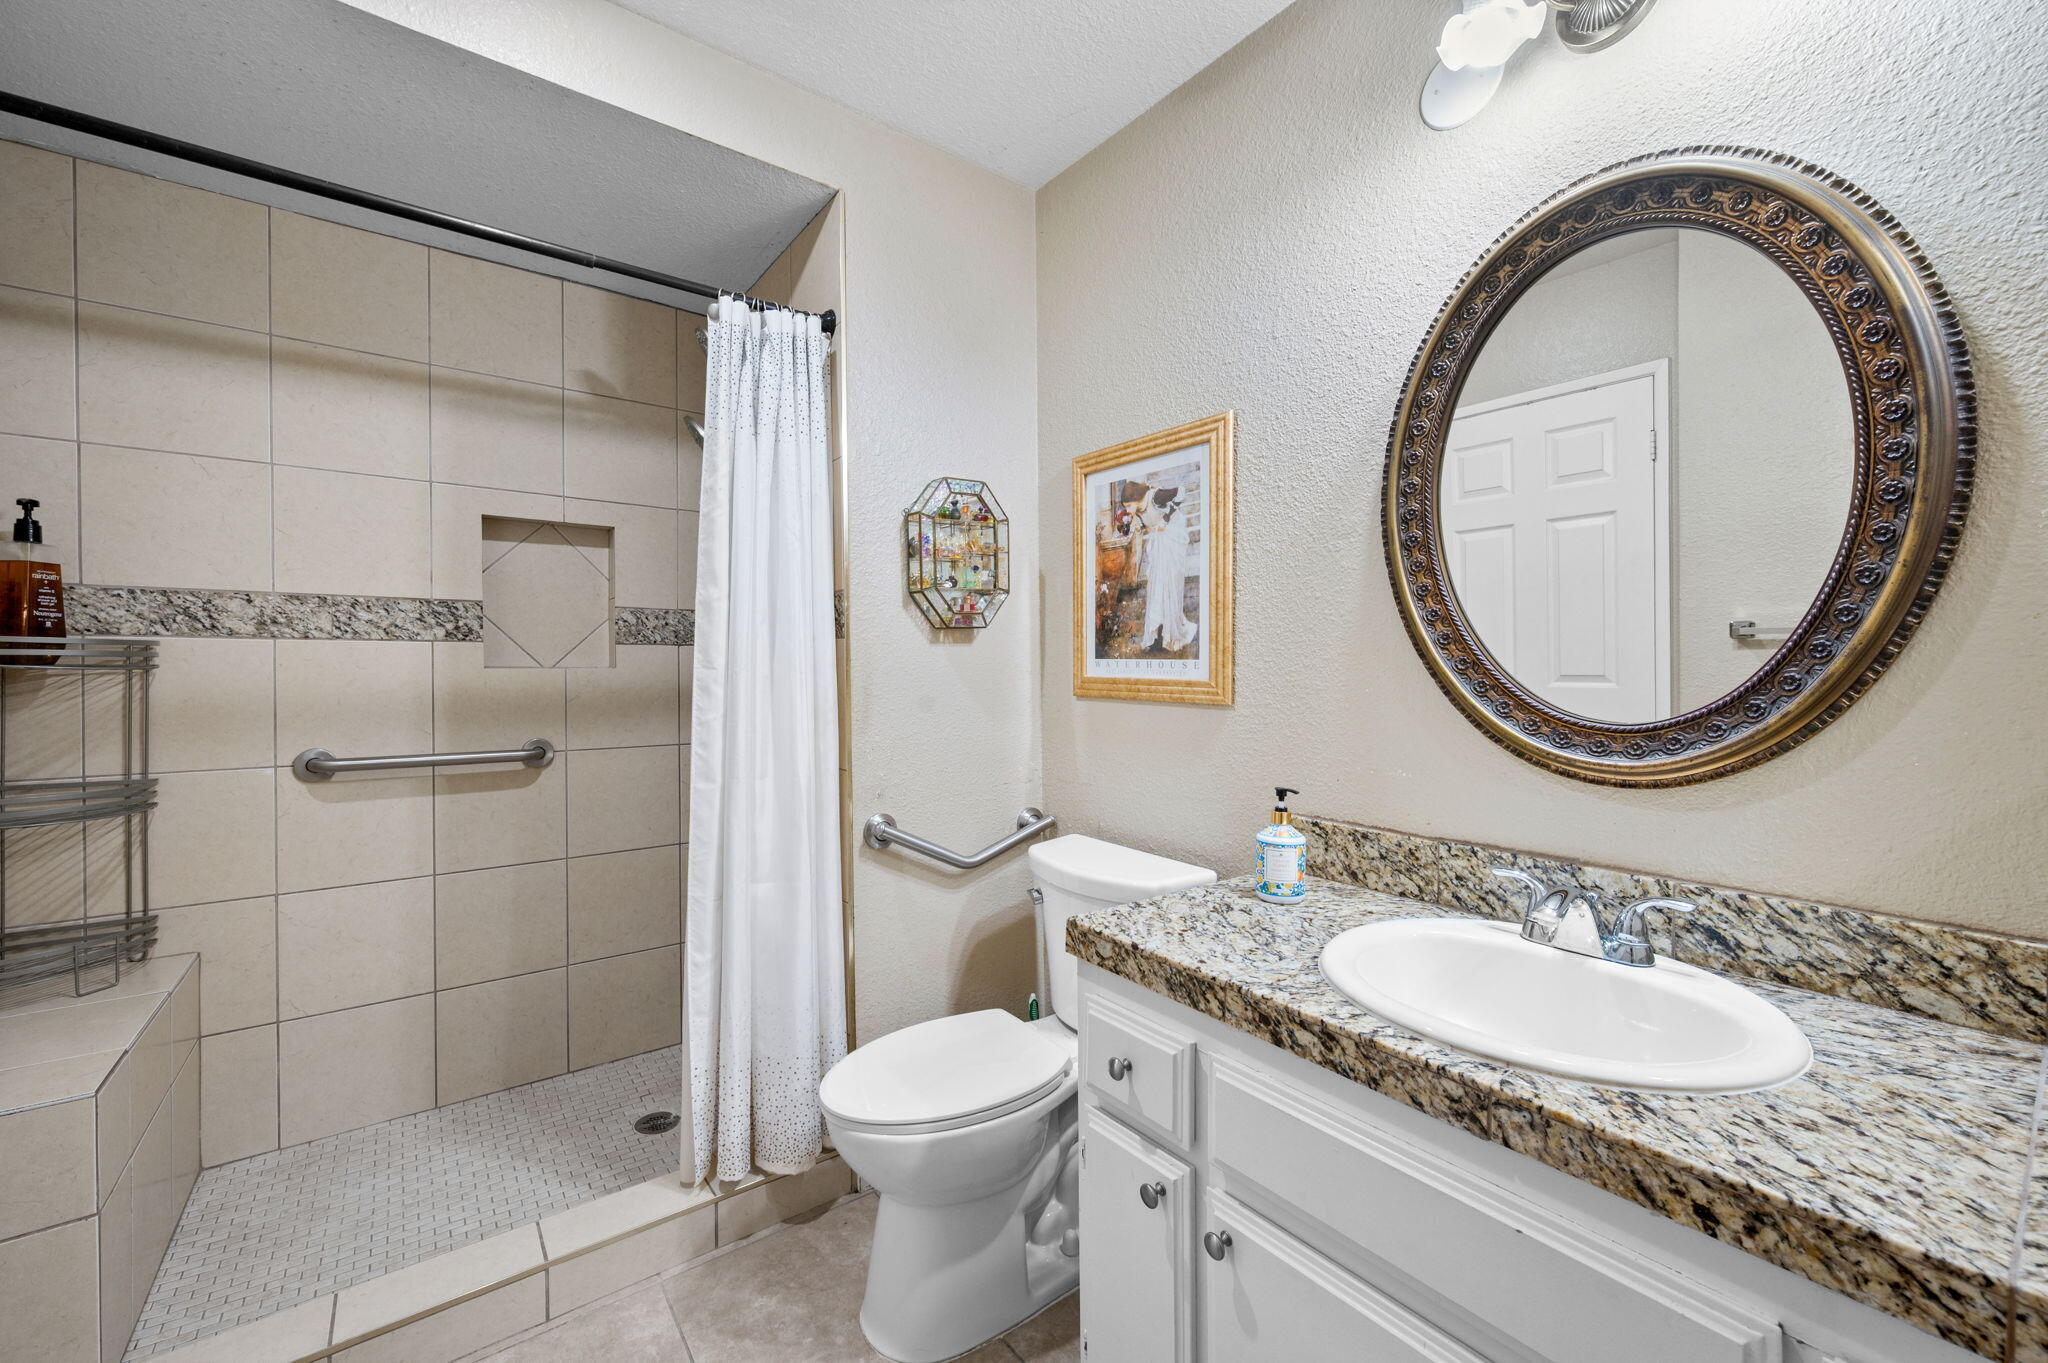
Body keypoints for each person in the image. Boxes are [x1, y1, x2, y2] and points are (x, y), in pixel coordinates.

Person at [1137, 487, 1198, 654]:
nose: (1127, 509)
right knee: (1157, 587)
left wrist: (1166, 518)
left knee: (1169, 583)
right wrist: (1142, 528)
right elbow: (1150, 523)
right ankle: (1159, 630)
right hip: (1159, 545)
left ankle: (1172, 629)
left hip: (1171, 540)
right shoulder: (1137, 510)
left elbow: (1181, 491)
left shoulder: (1156, 497)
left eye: (1128, 505)